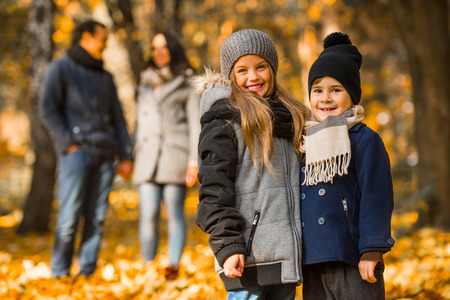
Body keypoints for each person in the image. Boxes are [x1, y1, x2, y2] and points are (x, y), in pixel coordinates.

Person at [195, 29, 309, 299]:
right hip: (246, 255)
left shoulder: (290, 117)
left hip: (285, 256)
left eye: (261, 67)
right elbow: (214, 190)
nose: (253, 77)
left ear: (273, 69)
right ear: (231, 76)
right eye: (242, 70)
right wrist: (228, 245)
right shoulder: (224, 121)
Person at [300, 32, 395, 299]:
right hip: (314, 258)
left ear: (351, 95)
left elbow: (377, 198)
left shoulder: (365, 140)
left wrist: (372, 250)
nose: (325, 98)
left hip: (353, 256)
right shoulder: (305, 141)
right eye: (317, 90)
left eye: (336, 90)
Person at [39, 20, 133, 278]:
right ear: (86, 37)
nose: (106, 43)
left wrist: (125, 155)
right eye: (102, 38)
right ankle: (59, 273)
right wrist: (68, 145)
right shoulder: (61, 68)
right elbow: (47, 109)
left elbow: (118, 118)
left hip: (105, 157)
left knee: (97, 218)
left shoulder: (106, 76)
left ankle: (88, 271)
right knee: (69, 218)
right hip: (76, 155)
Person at [132, 31, 200, 279]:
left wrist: (194, 160)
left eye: (163, 47)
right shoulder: (144, 82)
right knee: (148, 215)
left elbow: (195, 124)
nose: (158, 52)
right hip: (146, 156)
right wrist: (129, 156)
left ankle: (173, 266)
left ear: (173, 49)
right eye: (154, 48)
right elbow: (138, 123)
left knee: (174, 214)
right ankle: (148, 265)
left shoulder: (187, 81)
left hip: (176, 157)